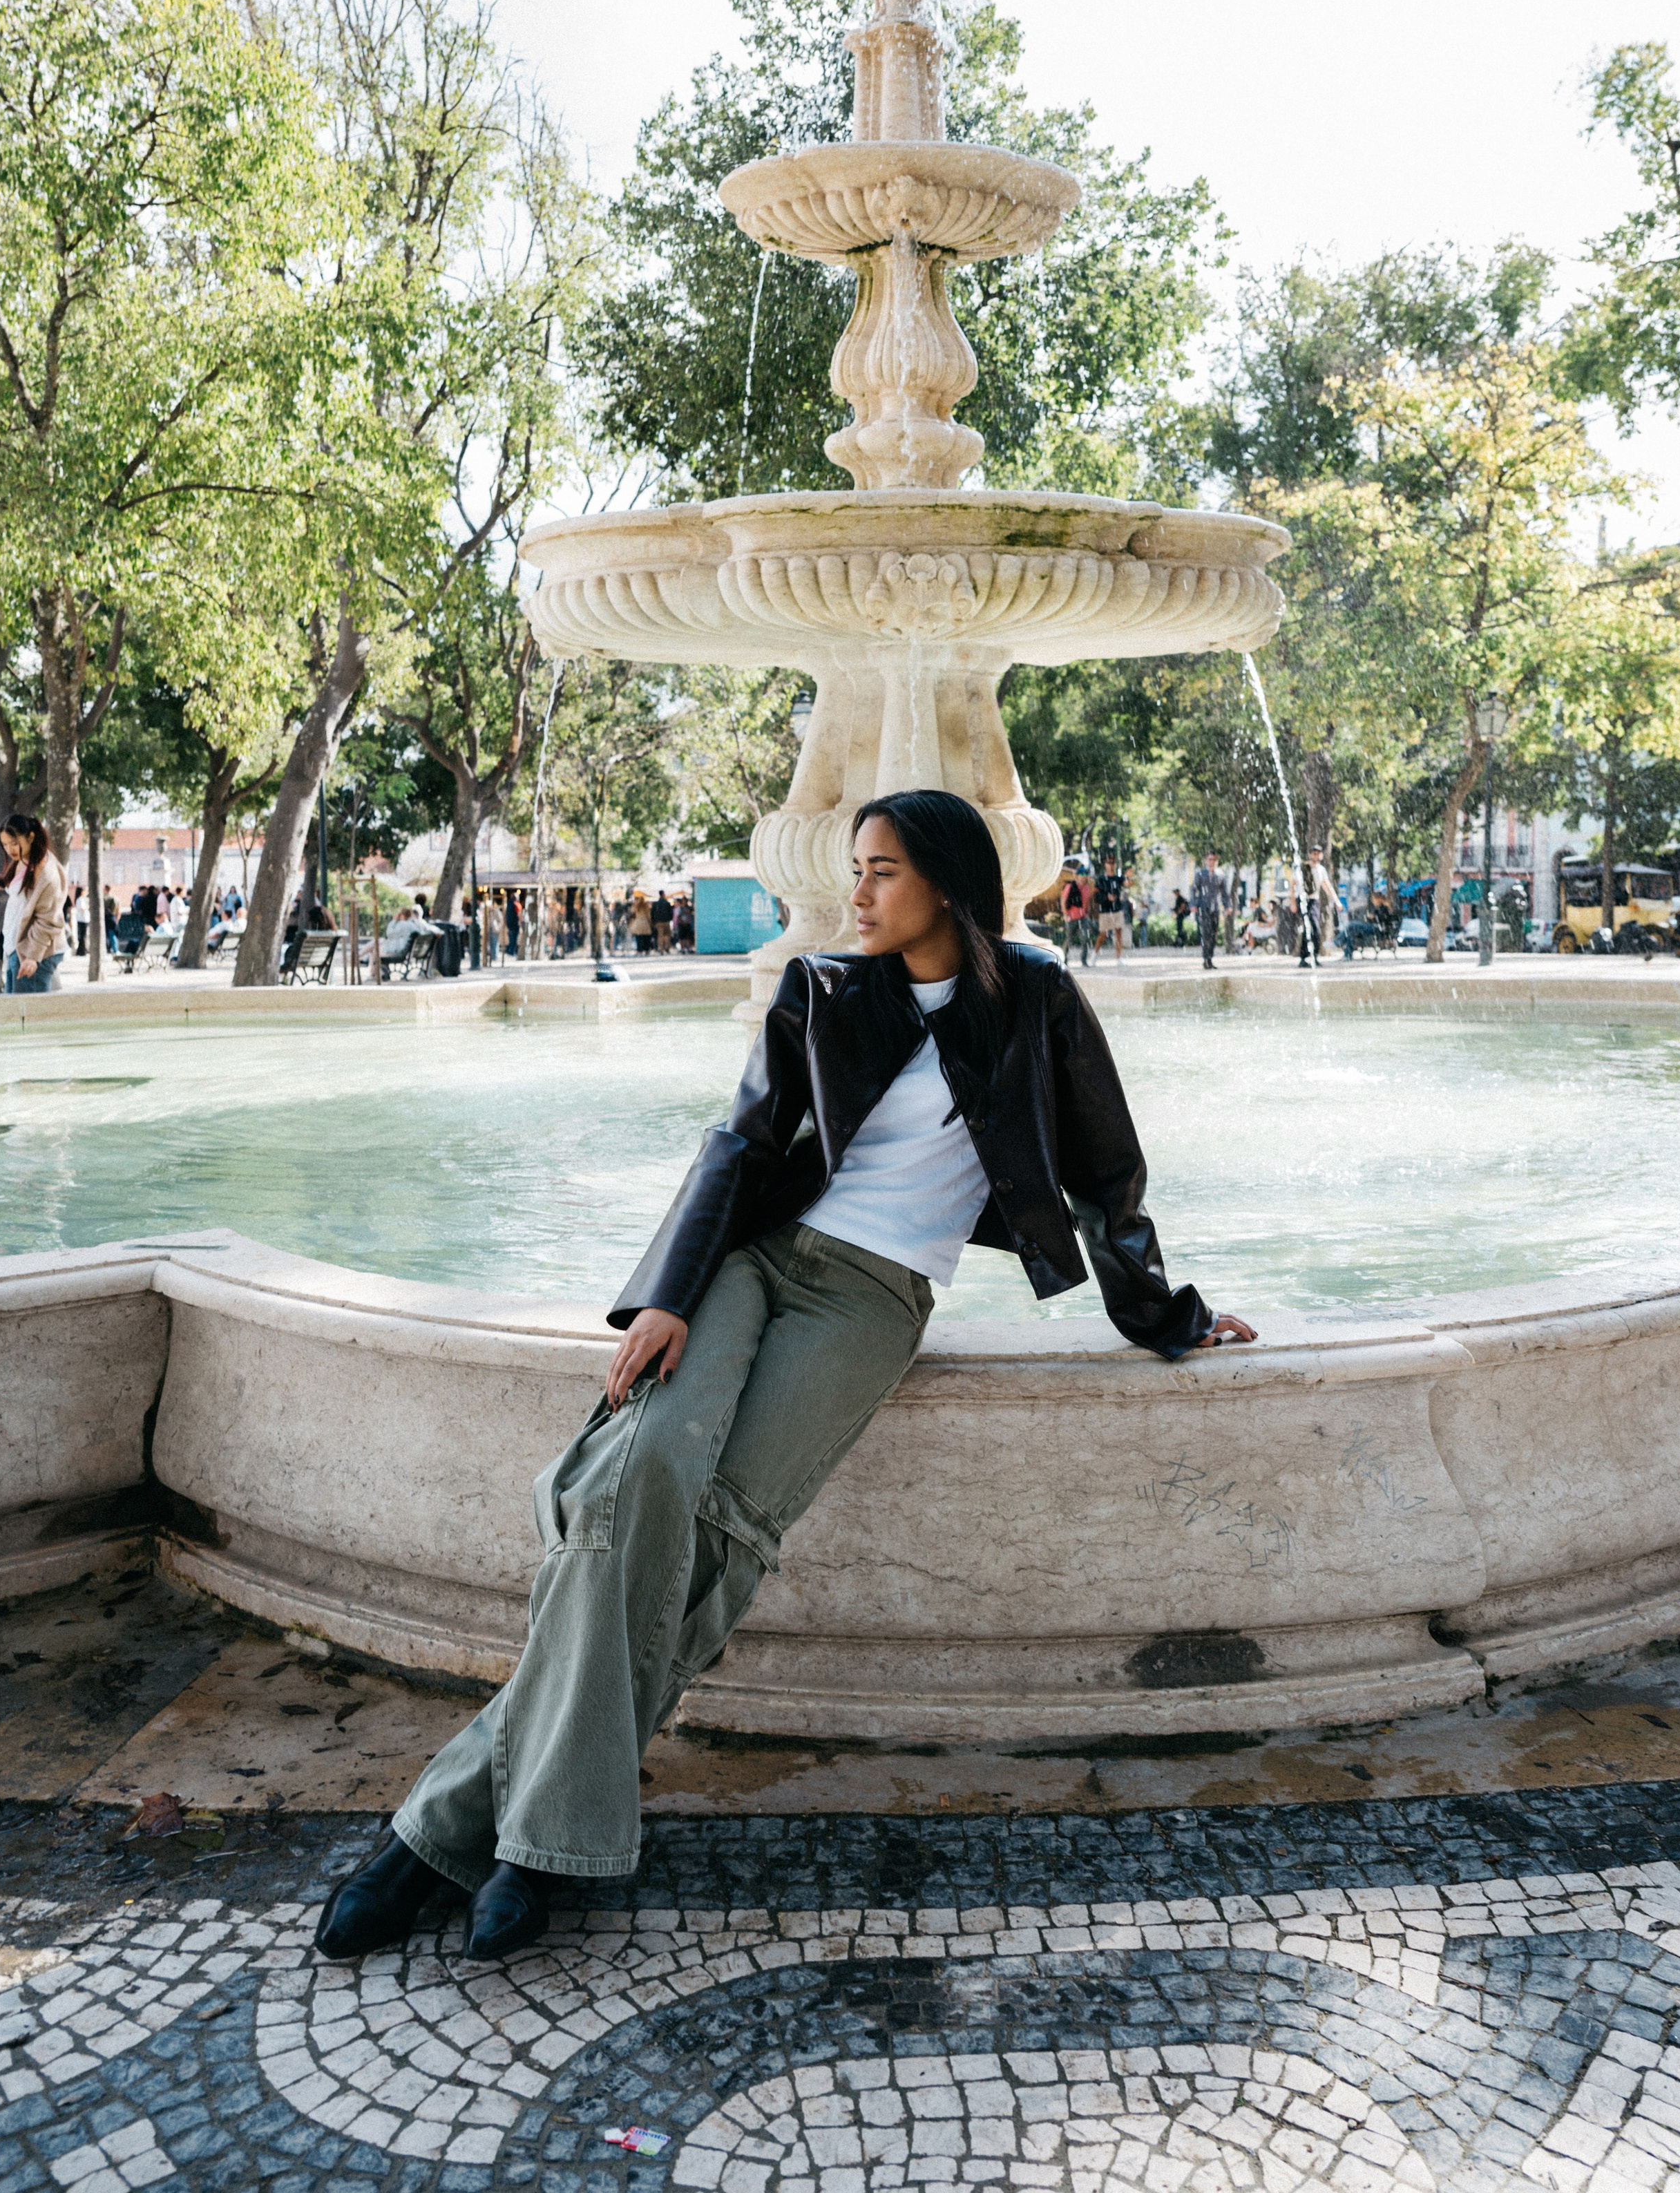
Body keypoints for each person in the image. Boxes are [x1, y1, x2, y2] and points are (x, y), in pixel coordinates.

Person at [312, 788, 1258, 1967]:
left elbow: (1109, 1170)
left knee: (719, 1534)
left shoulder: (1039, 998)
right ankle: (533, 1845)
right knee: (636, 1479)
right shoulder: (823, 987)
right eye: (855, 868)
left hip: (872, 1295)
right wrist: (669, 1291)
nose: (855, 892)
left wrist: (1169, 1314)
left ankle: (437, 1840)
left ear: (948, 884)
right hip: (752, 1260)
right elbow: (744, 1140)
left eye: (880, 871)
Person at [0, 813, 68, 994]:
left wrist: (33, 956)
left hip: (31, 952)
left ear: (31, 837)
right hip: (17, 948)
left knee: (27, 1010)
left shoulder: (46, 871)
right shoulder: (24, 861)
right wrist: (5, 883)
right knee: (15, 1009)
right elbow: (26, 897)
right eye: (5, 845)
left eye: (14, 843)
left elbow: (49, 919)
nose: (10, 849)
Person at [1190, 853, 1226, 970]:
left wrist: (1228, 906)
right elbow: (1194, 890)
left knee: (1214, 934)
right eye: (1210, 859)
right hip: (1203, 908)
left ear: (1217, 861)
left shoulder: (1220, 875)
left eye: (1214, 860)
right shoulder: (1200, 874)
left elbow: (1224, 893)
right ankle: (1206, 959)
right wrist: (1193, 904)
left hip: (1215, 909)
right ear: (1206, 861)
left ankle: (1210, 959)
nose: (1212, 862)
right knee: (1206, 934)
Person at [1094, 862, 1127, 960]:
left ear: (1115, 865)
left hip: (1117, 910)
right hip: (1105, 910)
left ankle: (1119, 958)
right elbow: (1096, 896)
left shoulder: (1118, 879)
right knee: (1103, 935)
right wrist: (1107, 897)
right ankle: (1094, 955)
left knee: (1119, 934)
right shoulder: (1101, 879)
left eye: (1113, 863)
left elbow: (1128, 884)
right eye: (1109, 863)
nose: (1111, 865)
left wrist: (1129, 876)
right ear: (1106, 864)